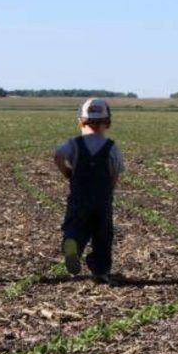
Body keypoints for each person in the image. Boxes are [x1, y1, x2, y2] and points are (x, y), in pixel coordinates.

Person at [54, 98, 125, 284]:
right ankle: (100, 271)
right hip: (102, 200)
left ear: (80, 121)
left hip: (79, 196)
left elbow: (58, 155)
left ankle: (73, 246)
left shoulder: (74, 144)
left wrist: (67, 171)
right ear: (108, 123)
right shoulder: (111, 147)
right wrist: (109, 190)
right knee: (102, 235)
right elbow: (115, 171)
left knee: (75, 226)